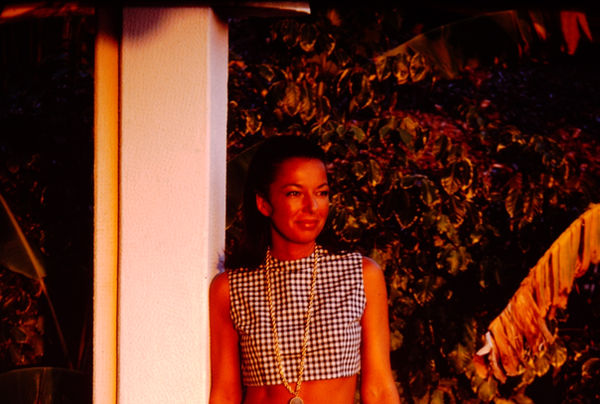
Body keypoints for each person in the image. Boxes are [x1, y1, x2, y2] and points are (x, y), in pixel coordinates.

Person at [209, 135, 400, 404]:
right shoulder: (230, 288)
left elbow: (379, 390)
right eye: (294, 193)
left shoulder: (361, 275)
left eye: (321, 193)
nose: (312, 207)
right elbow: (225, 394)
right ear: (264, 203)